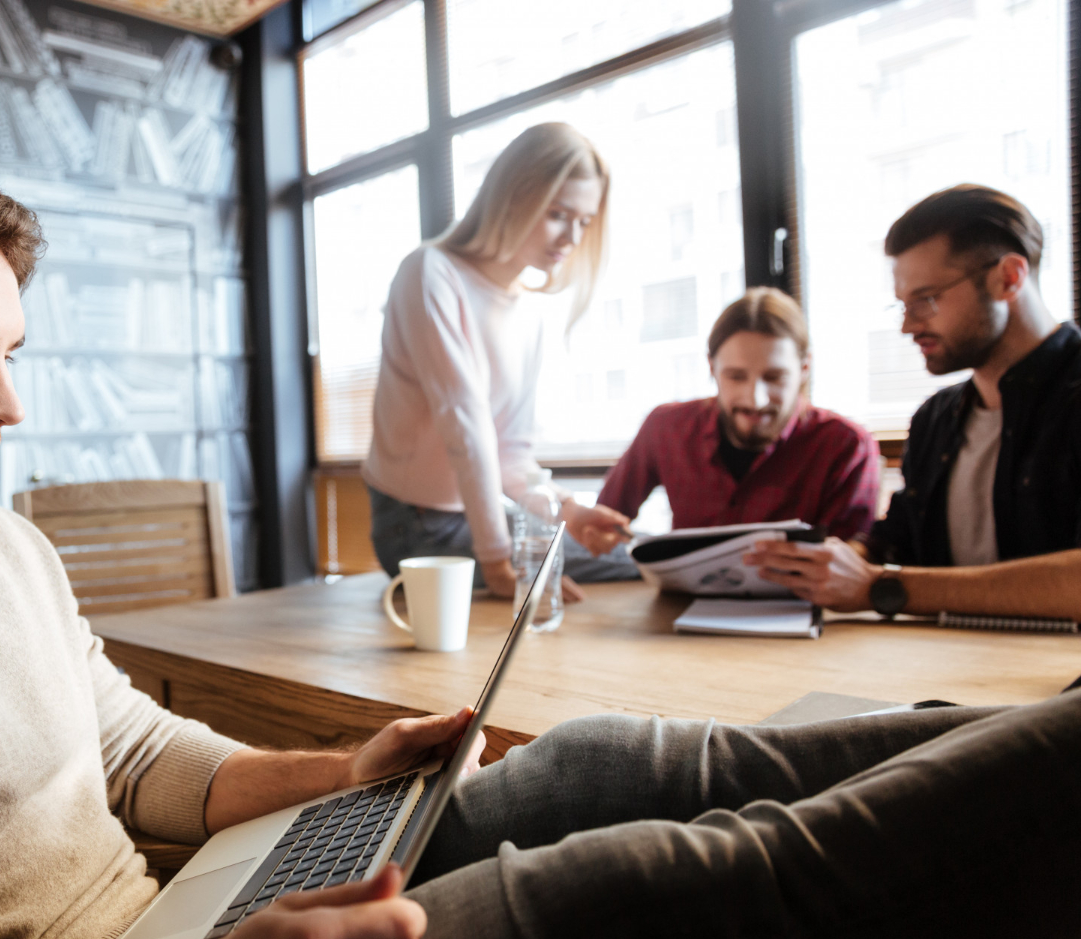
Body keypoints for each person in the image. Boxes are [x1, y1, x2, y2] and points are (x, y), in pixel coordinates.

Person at [0, 153, 1079, 939]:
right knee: (654, 884)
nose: (6, 401)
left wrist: (340, 771)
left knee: (611, 758)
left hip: (186, 924)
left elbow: (134, 758)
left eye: (10, 351)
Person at [744, 185, 1081, 620]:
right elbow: (894, 541)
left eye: (926, 300)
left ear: (1009, 278)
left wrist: (883, 588)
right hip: (943, 658)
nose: (908, 326)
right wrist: (828, 566)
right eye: (902, 306)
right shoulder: (935, 418)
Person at [361, 123, 635, 602]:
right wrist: (499, 565)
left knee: (633, 555)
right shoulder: (430, 273)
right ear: (512, 197)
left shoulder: (529, 312)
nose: (571, 236)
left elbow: (511, 453)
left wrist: (567, 510)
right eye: (558, 214)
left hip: (473, 517)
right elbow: (465, 426)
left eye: (584, 221)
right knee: (626, 564)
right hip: (415, 526)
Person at [597, 287, 880, 541]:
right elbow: (604, 518)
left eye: (774, 377)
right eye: (736, 376)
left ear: (804, 368)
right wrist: (598, 531)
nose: (755, 399)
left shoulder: (847, 446)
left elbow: (848, 563)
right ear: (712, 368)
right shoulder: (666, 426)